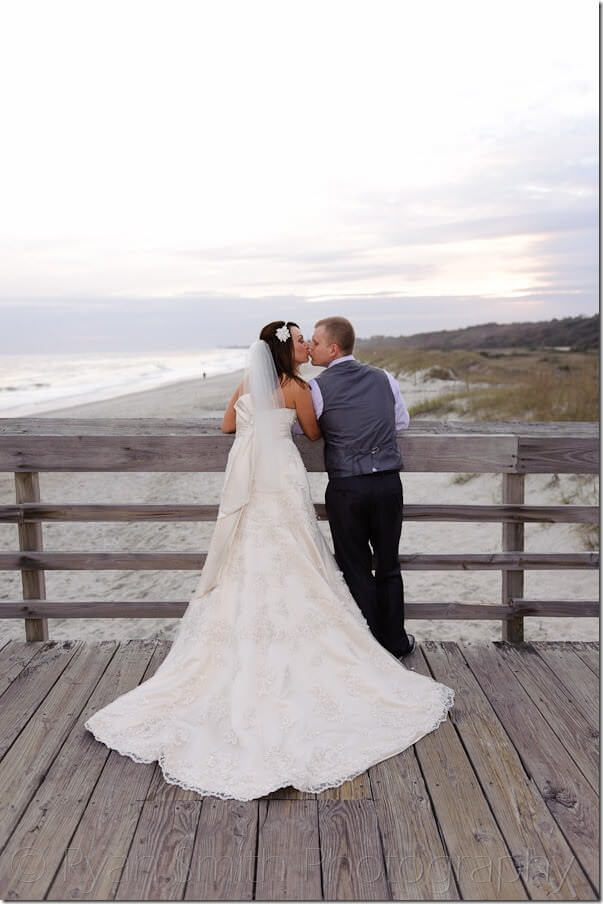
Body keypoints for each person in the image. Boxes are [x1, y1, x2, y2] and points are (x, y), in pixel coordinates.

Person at [84, 320, 454, 801]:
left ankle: (277, 633)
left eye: (312, 340)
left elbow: (228, 425)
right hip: (309, 475)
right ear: (288, 350)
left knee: (255, 552)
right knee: (324, 554)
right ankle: (387, 640)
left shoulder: (250, 383)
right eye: (302, 340)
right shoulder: (305, 386)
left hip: (252, 475)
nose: (307, 345)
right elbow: (316, 432)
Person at [308, 316, 414, 659]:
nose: (311, 347)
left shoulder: (317, 387)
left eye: (316, 342)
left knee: (354, 568)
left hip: (347, 488)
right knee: (389, 565)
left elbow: (301, 431)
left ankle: (368, 648)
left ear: (333, 348)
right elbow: (401, 422)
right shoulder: (385, 378)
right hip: (387, 484)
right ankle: (395, 642)